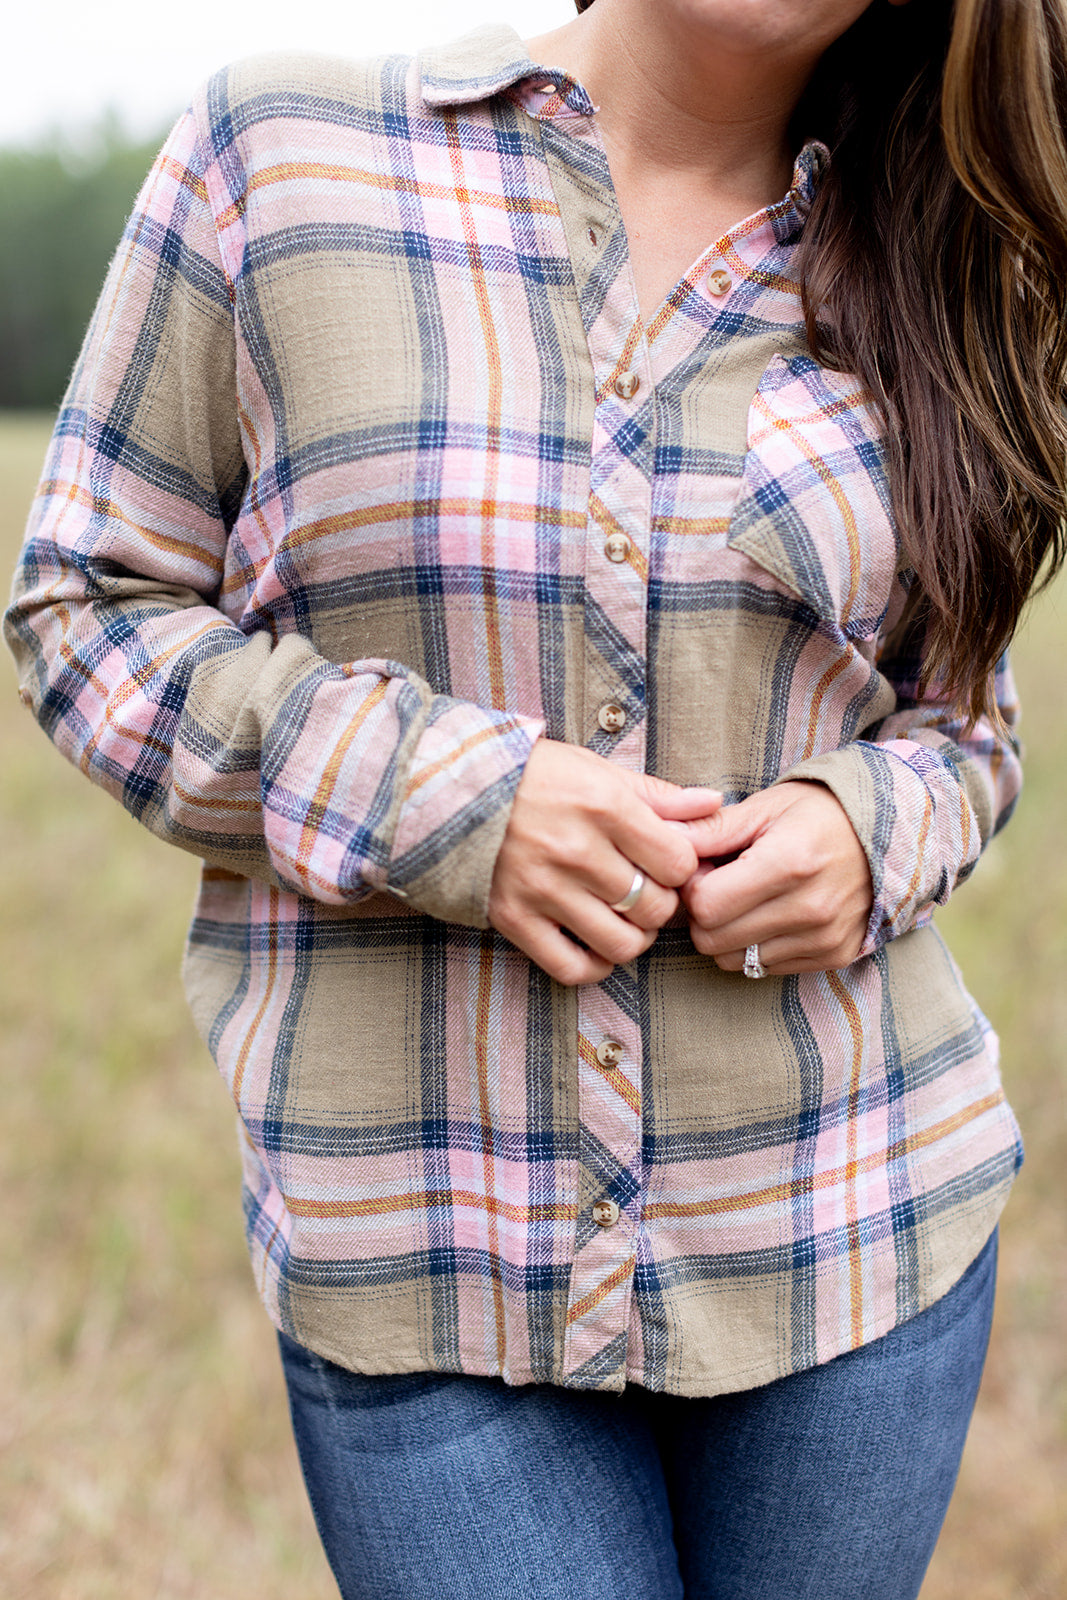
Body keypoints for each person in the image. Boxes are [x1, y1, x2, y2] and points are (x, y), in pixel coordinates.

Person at [7, 0, 1065, 1594]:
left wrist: (871, 829)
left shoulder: (931, 260)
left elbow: (965, 726)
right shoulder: (282, 155)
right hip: (431, 1265)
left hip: (860, 1235)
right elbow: (85, 607)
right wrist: (449, 803)